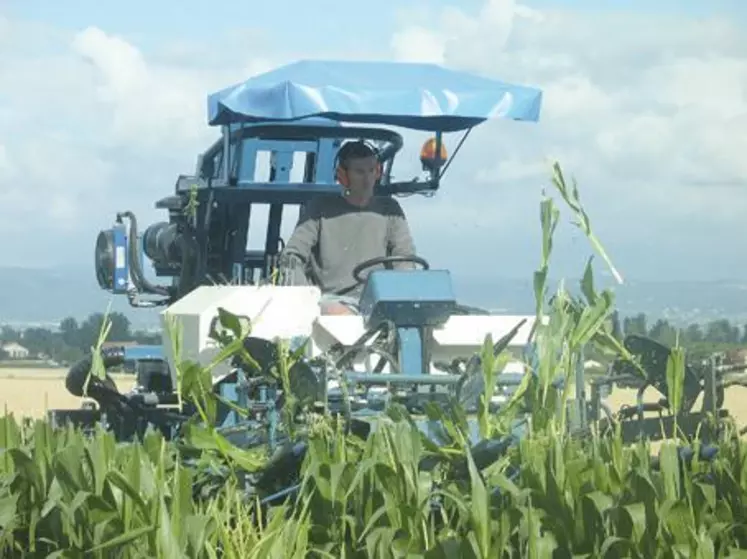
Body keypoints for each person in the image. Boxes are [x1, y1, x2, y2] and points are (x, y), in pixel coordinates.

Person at [277, 140, 417, 315]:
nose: (367, 179)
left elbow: (404, 258)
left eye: (371, 171)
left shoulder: (390, 210)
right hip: (331, 302)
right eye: (359, 172)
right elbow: (292, 256)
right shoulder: (320, 208)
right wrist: (307, 301)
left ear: (378, 172)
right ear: (342, 175)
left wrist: (402, 297)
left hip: (377, 303)